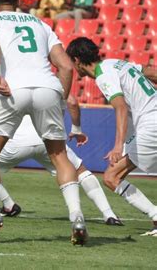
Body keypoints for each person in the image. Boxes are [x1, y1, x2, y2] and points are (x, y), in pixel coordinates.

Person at [0, 0, 87, 245]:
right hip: (47, 86)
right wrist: (60, 99)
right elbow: (68, 67)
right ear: (19, 1)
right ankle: (77, 215)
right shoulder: (40, 23)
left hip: (12, 88)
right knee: (60, 156)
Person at [0, 90, 123, 226]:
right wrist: (76, 129)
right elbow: (72, 102)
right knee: (80, 171)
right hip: (46, 140)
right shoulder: (49, 79)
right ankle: (107, 214)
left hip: (15, 143)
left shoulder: (3, 80)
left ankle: (7, 205)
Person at [66, 37, 157, 237]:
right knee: (114, 176)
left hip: (152, 123)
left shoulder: (103, 75)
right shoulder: (116, 63)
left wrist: (118, 146)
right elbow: (151, 72)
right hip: (150, 119)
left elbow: (121, 107)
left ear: (77, 60)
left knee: (111, 177)